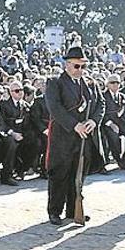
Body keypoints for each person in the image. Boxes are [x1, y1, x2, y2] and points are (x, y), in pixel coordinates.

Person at [44, 46, 105, 226]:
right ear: (67, 65)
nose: (80, 71)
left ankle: (72, 210)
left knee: (78, 174)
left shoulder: (91, 84)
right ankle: (55, 211)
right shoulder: (55, 82)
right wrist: (74, 125)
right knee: (59, 174)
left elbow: (100, 104)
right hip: (63, 136)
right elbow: (55, 108)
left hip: (85, 137)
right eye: (76, 66)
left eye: (82, 67)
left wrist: (93, 121)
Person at [101, 73, 125, 171]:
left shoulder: (122, 96)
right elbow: (101, 113)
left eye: (117, 83)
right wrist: (111, 124)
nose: (115, 85)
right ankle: (118, 160)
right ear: (107, 84)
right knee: (114, 136)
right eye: (112, 82)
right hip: (107, 124)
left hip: (120, 123)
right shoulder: (103, 96)